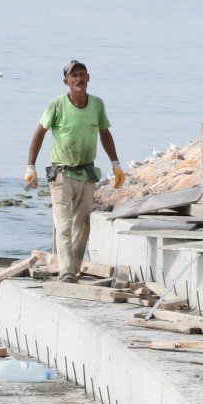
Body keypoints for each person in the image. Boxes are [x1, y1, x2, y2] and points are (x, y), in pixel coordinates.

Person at [24, 61, 124, 282]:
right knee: (64, 225)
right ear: (66, 81)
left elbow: (105, 134)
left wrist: (115, 164)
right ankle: (66, 271)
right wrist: (31, 167)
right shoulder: (57, 105)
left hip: (86, 174)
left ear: (88, 77)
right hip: (62, 174)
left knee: (83, 225)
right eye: (74, 76)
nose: (78, 79)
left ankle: (74, 269)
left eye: (82, 74)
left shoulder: (97, 104)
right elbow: (39, 133)